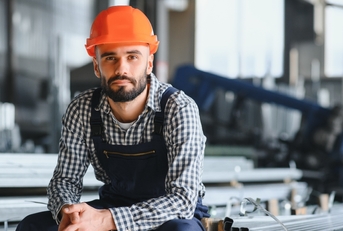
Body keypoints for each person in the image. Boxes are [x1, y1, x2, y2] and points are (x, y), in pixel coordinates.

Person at [16, 5, 209, 231]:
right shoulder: (83, 110)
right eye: (110, 58)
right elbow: (65, 181)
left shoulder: (178, 109)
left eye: (132, 56)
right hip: (114, 203)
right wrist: (70, 213)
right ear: (97, 66)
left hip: (169, 216)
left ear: (149, 62)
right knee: (32, 226)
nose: (121, 68)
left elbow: (183, 201)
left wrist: (108, 220)